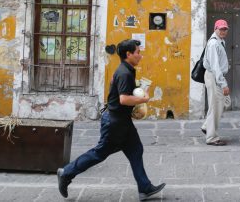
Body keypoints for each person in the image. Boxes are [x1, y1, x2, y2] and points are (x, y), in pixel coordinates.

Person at [57, 39, 165, 201]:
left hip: (122, 121)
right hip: (115, 122)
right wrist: (143, 100)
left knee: (136, 150)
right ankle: (66, 173)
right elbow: (123, 99)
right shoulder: (125, 73)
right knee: (99, 153)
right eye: (138, 52)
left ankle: (144, 188)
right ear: (128, 54)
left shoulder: (126, 69)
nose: (140, 56)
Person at [200, 19, 230, 146]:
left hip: (217, 76)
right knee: (216, 105)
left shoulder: (220, 41)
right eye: (221, 29)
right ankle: (211, 137)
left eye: (225, 29)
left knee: (225, 102)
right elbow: (215, 66)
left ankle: (207, 126)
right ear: (215, 29)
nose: (223, 31)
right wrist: (223, 84)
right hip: (214, 77)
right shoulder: (213, 44)